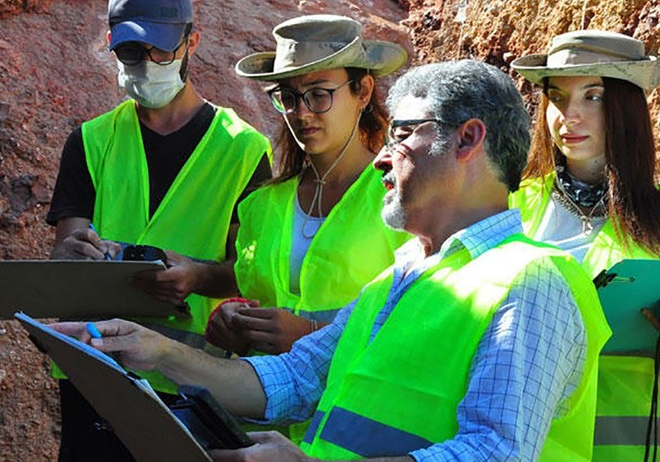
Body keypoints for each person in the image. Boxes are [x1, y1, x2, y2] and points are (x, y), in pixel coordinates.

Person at [53, 59, 612, 461]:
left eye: (403, 134)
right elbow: (293, 379)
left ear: (468, 139)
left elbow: (494, 453)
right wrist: (152, 351)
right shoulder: (403, 279)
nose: (382, 160)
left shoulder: (532, 281)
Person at [46, 0, 271, 459]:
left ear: (193, 41)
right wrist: (70, 255)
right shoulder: (91, 142)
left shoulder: (244, 150)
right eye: (131, 51)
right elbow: (65, 249)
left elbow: (249, 270)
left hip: (191, 381)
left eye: (161, 50)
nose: (147, 63)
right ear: (110, 42)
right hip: (95, 370)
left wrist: (197, 275)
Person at [509, 30, 660, 461]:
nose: (569, 115)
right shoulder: (510, 206)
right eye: (557, 97)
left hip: (644, 448)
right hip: (533, 446)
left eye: (594, 97)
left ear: (628, 109)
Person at [200, 14, 410, 361]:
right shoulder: (262, 205)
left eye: (319, 94)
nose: (301, 112)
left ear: (364, 91)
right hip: (259, 410)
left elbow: (417, 330)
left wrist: (312, 337)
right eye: (288, 96)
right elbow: (256, 300)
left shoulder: (403, 197)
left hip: (346, 410)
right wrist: (234, 322)